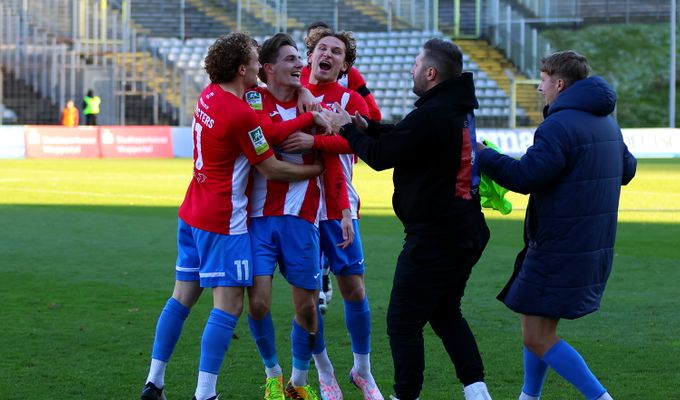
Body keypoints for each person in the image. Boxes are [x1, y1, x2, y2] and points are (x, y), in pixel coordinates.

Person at [139, 32, 324, 400]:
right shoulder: (240, 115)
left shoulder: (211, 95)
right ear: (243, 69)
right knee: (230, 306)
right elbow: (270, 165)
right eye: (256, 61)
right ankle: (205, 393)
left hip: (192, 210)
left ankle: (154, 382)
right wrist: (313, 169)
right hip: (224, 221)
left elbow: (262, 121)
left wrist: (305, 101)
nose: (260, 65)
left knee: (180, 298)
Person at [322, 38, 493, 400]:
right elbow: (405, 135)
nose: (410, 69)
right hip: (465, 230)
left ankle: (406, 395)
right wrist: (366, 124)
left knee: (402, 322)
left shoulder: (434, 113)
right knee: (446, 314)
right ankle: (477, 392)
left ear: (431, 73)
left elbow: (382, 157)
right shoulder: (451, 106)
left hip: (437, 237)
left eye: (416, 64)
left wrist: (346, 130)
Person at [475, 50, 637, 400]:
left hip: (559, 243)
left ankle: (600, 397)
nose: (539, 88)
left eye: (543, 80)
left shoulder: (558, 125)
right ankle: (528, 397)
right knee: (537, 323)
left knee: (536, 335)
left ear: (559, 83)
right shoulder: (607, 121)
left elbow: (525, 176)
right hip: (590, 242)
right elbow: (628, 170)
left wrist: (483, 155)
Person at [243, 32, 354, 400]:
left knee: (308, 310)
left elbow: (334, 164)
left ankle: (299, 382)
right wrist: (311, 121)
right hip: (259, 220)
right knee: (257, 302)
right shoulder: (255, 98)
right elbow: (269, 136)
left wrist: (342, 211)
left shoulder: (314, 109)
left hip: (302, 221)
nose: (299, 65)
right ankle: (272, 376)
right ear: (270, 68)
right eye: (290, 60)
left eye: (298, 59)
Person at [280, 28, 384, 400]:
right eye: (321, 48)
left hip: (341, 206)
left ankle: (362, 370)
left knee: (353, 287)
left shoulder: (349, 99)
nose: (327, 54)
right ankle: (323, 372)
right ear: (310, 56)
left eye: (336, 51)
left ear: (344, 65)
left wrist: (314, 140)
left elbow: (362, 142)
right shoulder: (291, 92)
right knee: (307, 299)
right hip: (300, 208)